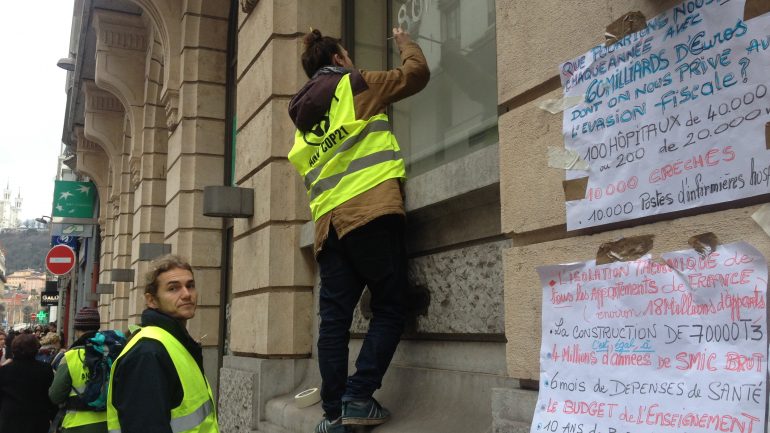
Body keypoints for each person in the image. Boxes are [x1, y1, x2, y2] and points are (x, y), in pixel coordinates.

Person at [287, 27, 429, 432]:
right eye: (347, 54)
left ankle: (332, 413)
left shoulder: (302, 126)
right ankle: (358, 396)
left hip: (328, 229)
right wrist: (405, 43)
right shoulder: (354, 84)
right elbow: (415, 75)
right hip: (370, 211)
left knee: (333, 321)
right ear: (339, 59)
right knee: (390, 304)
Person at [106, 255, 218, 433]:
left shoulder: (175, 343)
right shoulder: (148, 352)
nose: (187, 294)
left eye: (190, 286)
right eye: (173, 288)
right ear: (152, 300)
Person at [48, 307, 106, 433]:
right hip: (108, 424)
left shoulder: (70, 356)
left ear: (77, 330)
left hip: (76, 425)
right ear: (97, 328)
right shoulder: (109, 353)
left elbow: (55, 396)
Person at [0, 334, 57, 433]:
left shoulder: (4, 370)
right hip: (37, 418)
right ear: (35, 349)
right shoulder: (45, 369)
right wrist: (53, 415)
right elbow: (50, 394)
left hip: (10, 418)